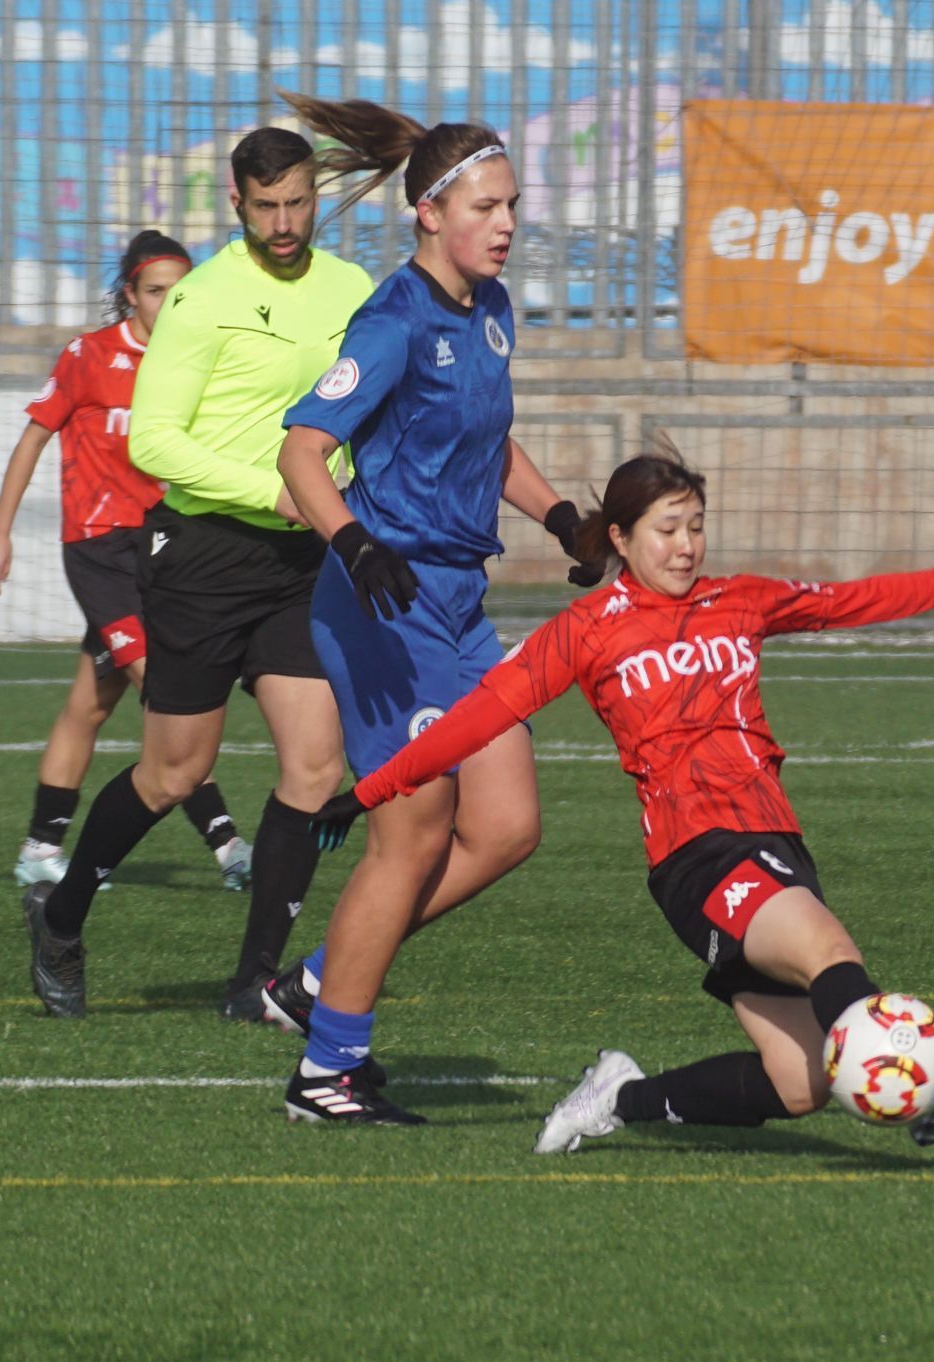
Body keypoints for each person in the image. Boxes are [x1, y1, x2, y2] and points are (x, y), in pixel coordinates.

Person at [294, 451, 934, 1143]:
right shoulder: (587, 631)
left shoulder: (738, 600)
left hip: (776, 843)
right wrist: (374, 789)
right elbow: (480, 715)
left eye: (696, 527)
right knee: (829, 951)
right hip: (699, 854)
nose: (686, 546)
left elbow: (853, 600)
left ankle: (619, 1100)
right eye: (667, 530)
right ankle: (920, 1081)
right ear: (620, 537)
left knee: (801, 1081)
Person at [255, 93, 600, 1108]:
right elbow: (302, 453)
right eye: (486, 207)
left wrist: (560, 517)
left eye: (512, 205)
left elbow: (485, 443)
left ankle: (318, 980)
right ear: (428, 215)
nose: (504, 224)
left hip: (454, 603)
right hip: (380, 601)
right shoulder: (395, 319)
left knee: (504, 827)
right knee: (409, 834)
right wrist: (354, 544)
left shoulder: (488, 311)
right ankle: (326, 1066)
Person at [22, 128, 375, 1020]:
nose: (285, 222)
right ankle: (61, 917)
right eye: (267, 207)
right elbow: (155, 440)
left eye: (298, 202)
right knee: (175, 774)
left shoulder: (352, 289)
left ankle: (253, 980)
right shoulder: (203, 299)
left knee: (314, 766)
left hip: (301, 562)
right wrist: (277, 488)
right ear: (236, 204)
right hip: (205, 555)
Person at [0, 231, 252, 895]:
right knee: (166, 691)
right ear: (129, 294)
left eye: (182, 291)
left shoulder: (199, 359)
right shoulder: (89, 357)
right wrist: (1, 531)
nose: (171, 303)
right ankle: (230, 848)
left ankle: (42, 848)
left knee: (88, 705)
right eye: (157, 291)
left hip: (166, 549)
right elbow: (34, 437)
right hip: (101, 549)